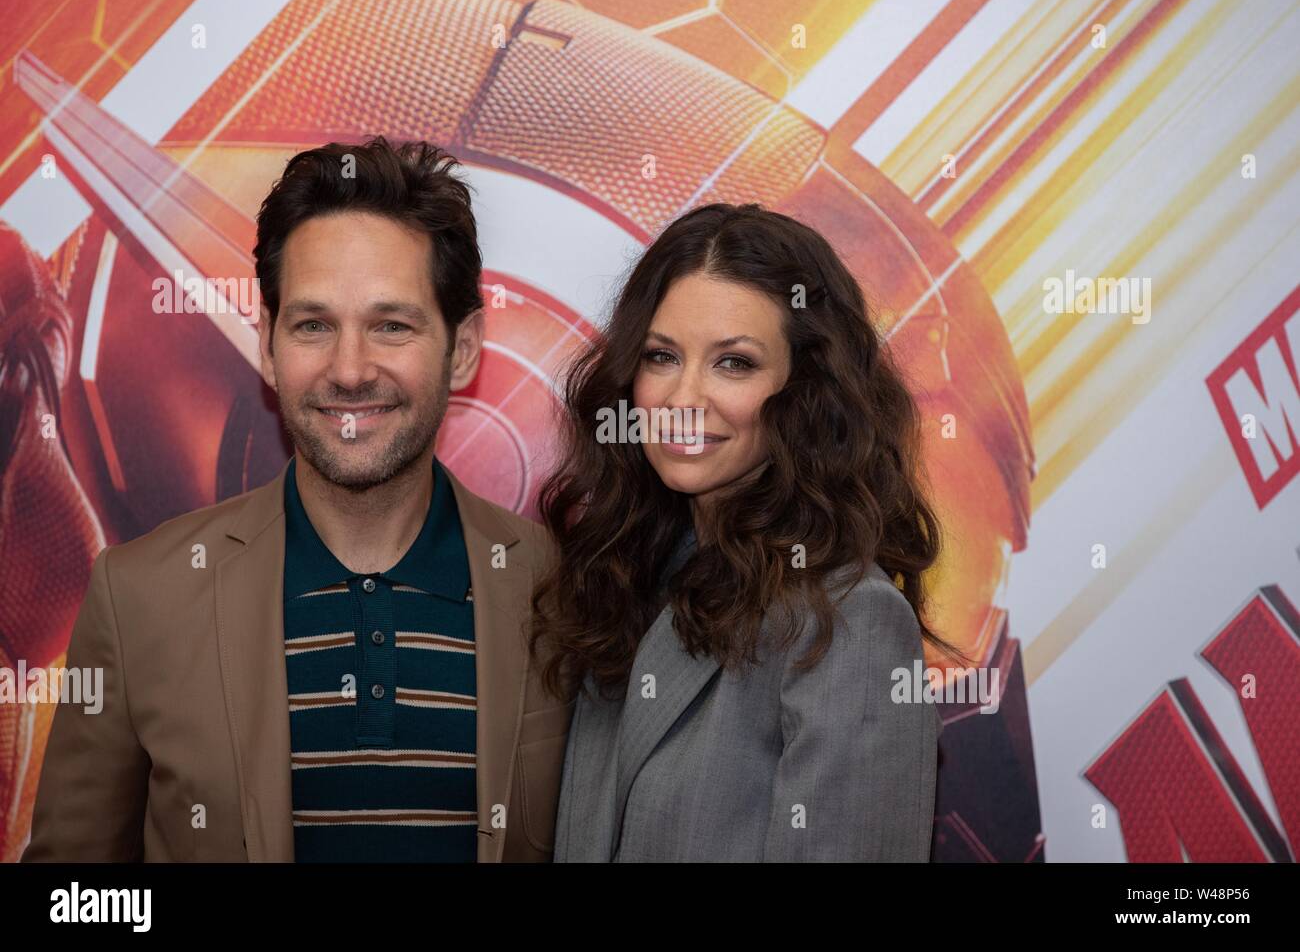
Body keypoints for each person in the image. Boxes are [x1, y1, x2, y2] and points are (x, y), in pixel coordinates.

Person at [23, 137, 568, 862]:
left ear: (462, 347)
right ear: (267, 347)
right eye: (313, 325)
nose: (349, 370)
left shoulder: (566, 592)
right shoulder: (138, 596)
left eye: (392, 325)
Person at [532, 202, 965, 862]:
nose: (683, 399)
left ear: (805, 391)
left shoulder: (850, 617)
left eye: (733, 364)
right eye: (661, 356)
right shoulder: (623, 584)